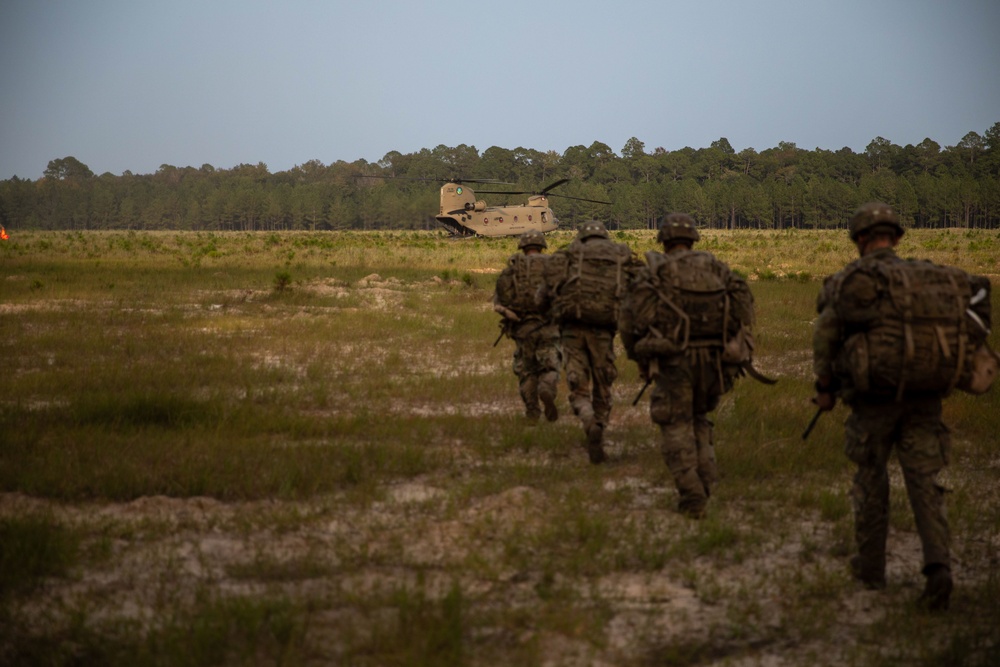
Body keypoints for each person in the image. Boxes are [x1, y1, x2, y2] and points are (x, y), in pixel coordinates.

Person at [812, 201, 994, 611]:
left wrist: (825, 387)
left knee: (871, 481)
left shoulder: (851, 280)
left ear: (860, 240)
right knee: (926, 483)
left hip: (873, 401)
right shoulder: (936, 276)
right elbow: (980, 293)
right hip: (925, 400)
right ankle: (938, 567)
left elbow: (826, 335)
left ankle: (872, 569)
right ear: (895, 237)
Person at [619, 213, 756, 518]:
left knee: (675, 423)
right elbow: (744, 305)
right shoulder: (717, 269)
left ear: (664, 242)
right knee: (700, 417)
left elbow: (630, 321)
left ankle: (692, 493)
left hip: (673, 361)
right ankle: (705, 480)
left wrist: (639, 356)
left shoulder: (655, 273)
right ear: (693, 239)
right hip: (714, 362)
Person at [538, 221, 642, 463]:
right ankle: (600, 427)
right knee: (604, 385)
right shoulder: (621, 255)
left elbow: (542, 295)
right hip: (604, 331)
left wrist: (549, 313)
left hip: (573, 330)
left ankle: (587, 419)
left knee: (578, 386)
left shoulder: (569, 255)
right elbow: (640, 289)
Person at [493, 231, 561, 423]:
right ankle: (547, 388)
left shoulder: (513, 269)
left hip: (522, 329)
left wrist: (513, 317)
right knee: (549, 365)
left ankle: (532, 411)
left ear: (522, 248)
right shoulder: (554, 267)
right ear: (542, 247)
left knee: (526, 371)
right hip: (549, 328)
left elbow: (500, 303)